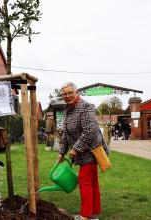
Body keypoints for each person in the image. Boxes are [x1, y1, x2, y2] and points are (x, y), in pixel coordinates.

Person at [56, 82, 109, 220]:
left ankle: (86, 215)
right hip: (82, 150)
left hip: (91, 150)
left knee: (84, 180)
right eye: (65, 94)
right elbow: (66, 134)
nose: (67, 96)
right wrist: (62, 152)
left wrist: (75, 148)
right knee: (92, 182)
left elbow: (90, 131)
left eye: (70, 93)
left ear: (76, 92)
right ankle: (94, 212)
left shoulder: (85, 107)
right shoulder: (67, 109)